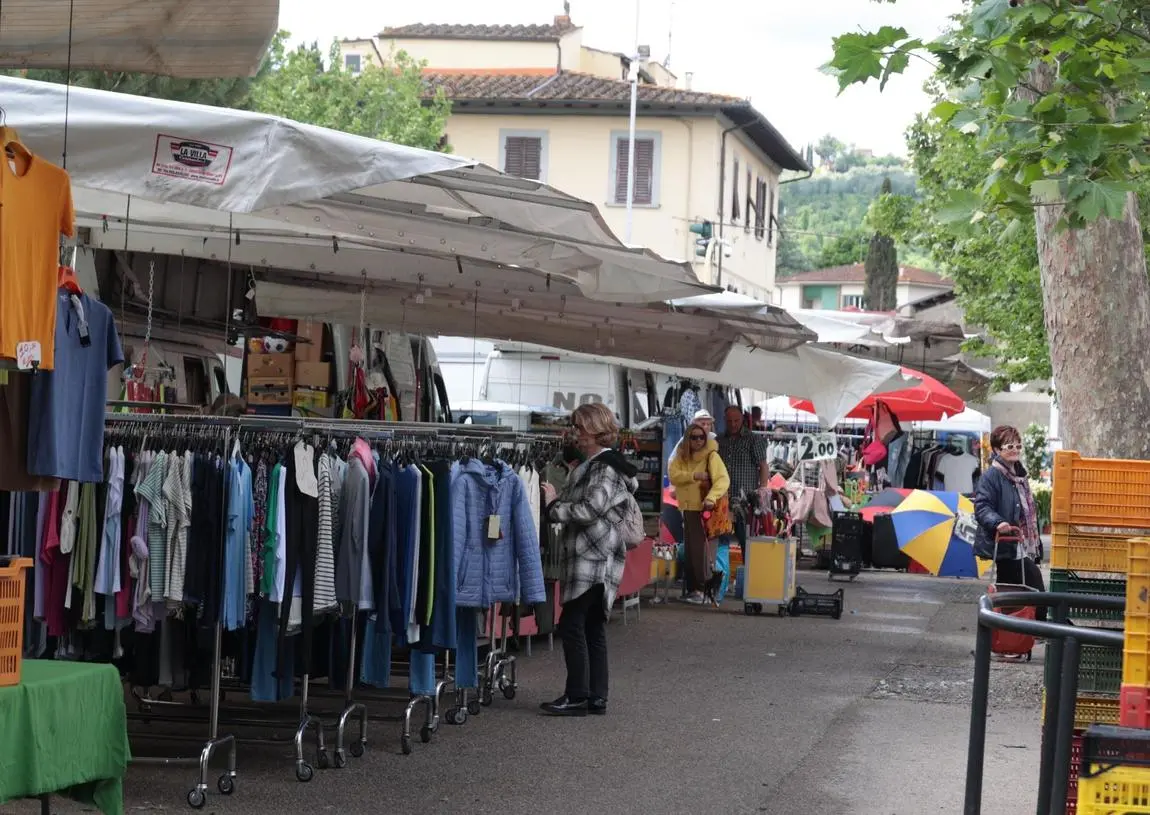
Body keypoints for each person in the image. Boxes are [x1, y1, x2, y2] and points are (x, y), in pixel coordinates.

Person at [540, 403, 638, 717]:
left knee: (572, 624)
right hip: (600, 558)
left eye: (580, 428)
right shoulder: (606, 465)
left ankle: (577, 695)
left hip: (591, 558)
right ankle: (596, 696)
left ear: (595, 430)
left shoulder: (603, 467)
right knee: (593, 627)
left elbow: (590, 509)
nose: (576, 435)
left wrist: (554, 506)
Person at [973, 424, 1047, 620]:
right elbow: (981, 506)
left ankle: (1006, 637)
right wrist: (997, 522)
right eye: (1009, 446)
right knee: (1033, 582)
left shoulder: (1019, 475)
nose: (1015, 450)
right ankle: (1038, 629)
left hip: (1021, 541)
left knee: (1008, 591)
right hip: (1006, 542)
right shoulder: (992, 476)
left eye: (1018, 446)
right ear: (997, 450)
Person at [669, 420, 731, 605]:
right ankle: (697, 590)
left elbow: (722, 479)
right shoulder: (681, 456)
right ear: (687, 439)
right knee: (691, 551)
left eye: (701, 437)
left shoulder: (711, 456)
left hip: (705, 510)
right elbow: (673, 475)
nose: (698, 441)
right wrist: (694, 476)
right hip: (687, 508)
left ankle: (706, 589)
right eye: (694, 437)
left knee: (703, 552)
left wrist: (711, 498)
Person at [716, 405, 769, 551]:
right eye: (729, 421)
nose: (733, 424)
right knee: (720, 540)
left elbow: (763, 466)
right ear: (724, 420)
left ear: (743, 419)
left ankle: (750, 572)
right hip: (722, 499)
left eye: (736, 420)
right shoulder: (719, 441)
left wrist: (763, 489)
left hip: (745, 501)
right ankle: (721, 571)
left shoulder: (754, 440)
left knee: (747, 541)